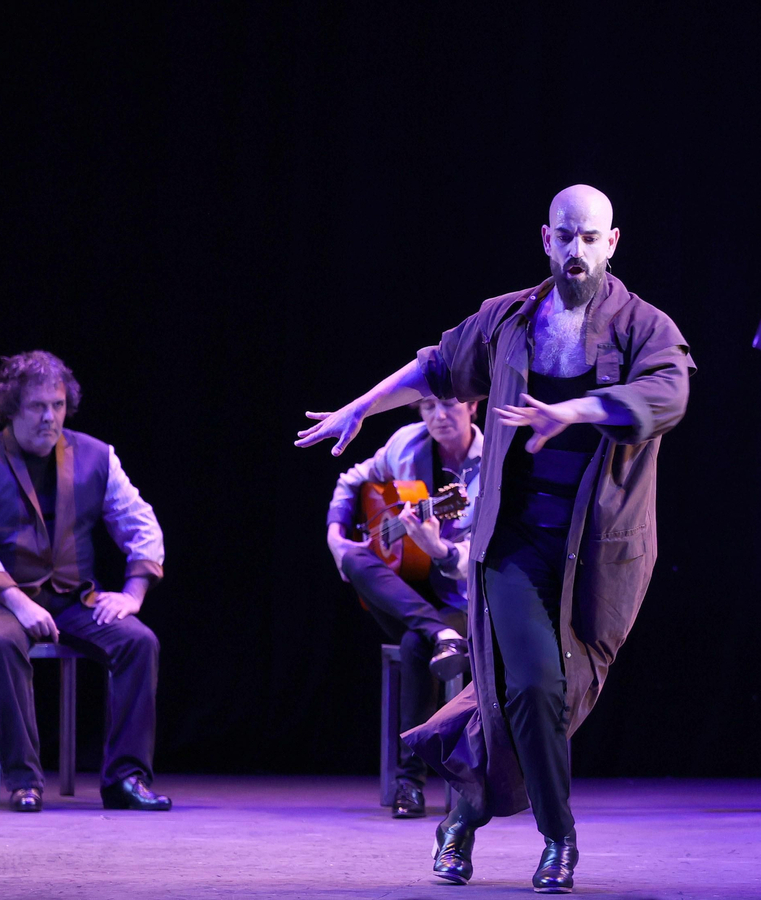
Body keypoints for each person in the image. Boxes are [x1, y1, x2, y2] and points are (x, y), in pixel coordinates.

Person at [296, 185, 692, 893]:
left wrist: (573, 410)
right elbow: (437, 365)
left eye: (590, 239)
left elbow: (669, 394)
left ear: (613, 242)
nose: (576, 252)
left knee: (549, 694)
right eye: (565, 237)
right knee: (535, 685)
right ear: (546, 238)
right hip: (510, 547)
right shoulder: (507, 320)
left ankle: (462, 817)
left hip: (598, 555)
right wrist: (359, 407)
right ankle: (559, 841)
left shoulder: (644, 327)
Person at [0, 351, 171, 813]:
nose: (50, 417)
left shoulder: (96, 457)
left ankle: (126, 778)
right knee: (3, 643)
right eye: (37, 406)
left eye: (59, 405)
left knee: (138, 642)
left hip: (71, 598)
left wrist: (134, 592)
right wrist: (18, 602)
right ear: (10, 408)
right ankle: (24, 780)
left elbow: (141, 524)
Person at [326, 395, 482, 818]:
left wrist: (442, 550)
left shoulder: (491, 465)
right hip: (403, 593)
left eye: (449, 404)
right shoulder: (405, 443)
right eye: (428, 406)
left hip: (460, 601)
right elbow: (351, 480)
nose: (438, 415)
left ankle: (409, 783)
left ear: (473, 406)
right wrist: (337, 531)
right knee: (354, 556)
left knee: (417, 645)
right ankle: (439, 634)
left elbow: (487, 555)